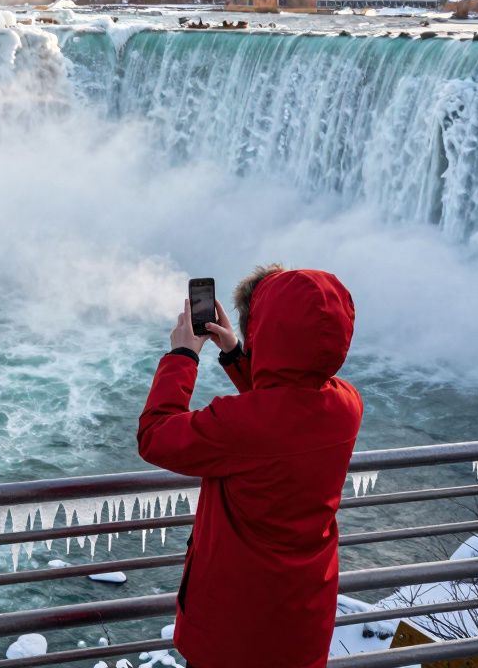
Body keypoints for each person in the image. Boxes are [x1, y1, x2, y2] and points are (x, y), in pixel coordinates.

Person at [138, 265, 363, 668]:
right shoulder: (347, 405)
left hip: (231, 634)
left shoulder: (239, 425)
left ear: (268, 332)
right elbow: (284, 415)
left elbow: (155, 436)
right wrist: (236, 354)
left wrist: (183, 355)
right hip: (302, 624)